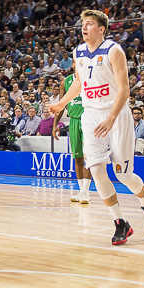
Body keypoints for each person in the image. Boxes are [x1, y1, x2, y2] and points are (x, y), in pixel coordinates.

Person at [49, 9, 144, 246]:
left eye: (89, 24)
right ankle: (120, 222)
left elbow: (124, 89)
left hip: (116, 115)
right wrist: (61, 103)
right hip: (91, 116)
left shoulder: (114, 50)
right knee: (97, 169)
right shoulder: (78, 51)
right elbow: (80, 82)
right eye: (82, 24)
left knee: (123, 175)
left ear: (101, 29)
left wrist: (111, 117)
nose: (84, 28)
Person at [52, 72, 92, 204]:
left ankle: (86, 192)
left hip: (88, 120)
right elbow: (61, 105)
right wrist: (55, 124)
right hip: (73, 120)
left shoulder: (90, 77)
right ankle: (81, 191)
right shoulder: (65, 82)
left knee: (88, 157)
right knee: (77, 157)